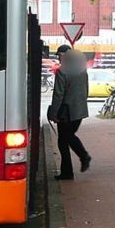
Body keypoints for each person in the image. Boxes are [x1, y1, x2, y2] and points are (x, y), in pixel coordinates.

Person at [48, 45, 91, 180]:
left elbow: (58, 94)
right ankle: (68, 171)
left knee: (66, 138)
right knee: (65, 139)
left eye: (60, 56)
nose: (59, 59)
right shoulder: (82, 70)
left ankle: (83, 156)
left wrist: (54, 112)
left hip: (65, 112)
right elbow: (86, 90)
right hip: (79, 111)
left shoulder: (63, 71)